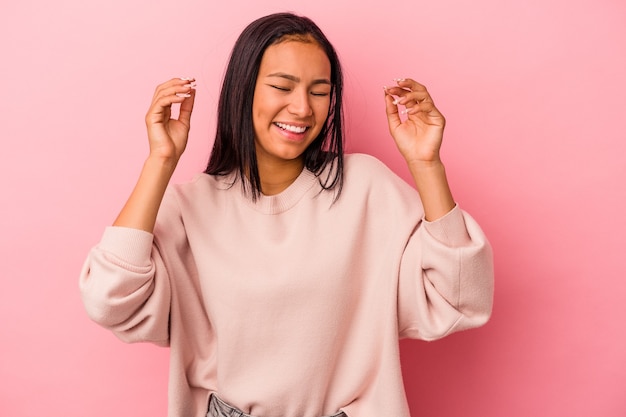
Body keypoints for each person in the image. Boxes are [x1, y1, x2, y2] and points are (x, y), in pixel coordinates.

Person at [79, 12, 494, 417]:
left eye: (319, 91)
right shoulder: (190, 208)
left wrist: (426, 165)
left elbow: (461, 299)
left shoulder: (366, 188)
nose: (302, 108)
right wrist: (161, 160)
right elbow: (109, 301)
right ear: (243, 90)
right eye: (282, 86)